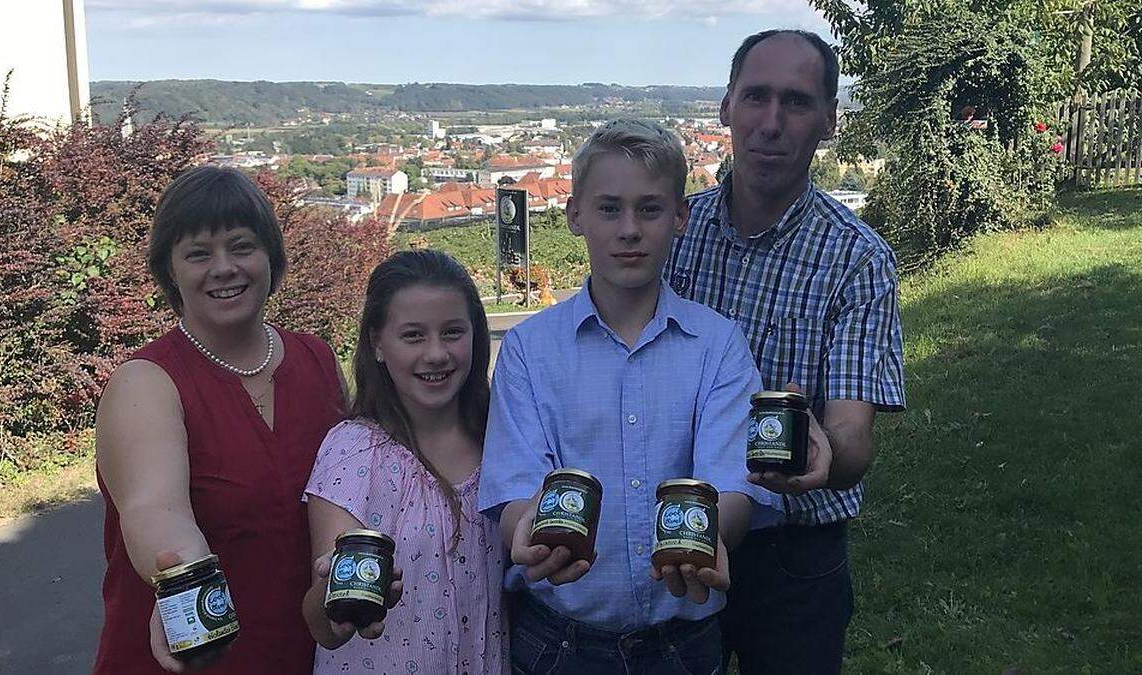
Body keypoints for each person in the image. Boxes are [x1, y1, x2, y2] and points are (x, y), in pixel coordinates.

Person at [479, 118, 780, 675]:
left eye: (649, 209)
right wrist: (526, 531)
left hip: (680, 642)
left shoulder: (717, 346)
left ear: (680, 217)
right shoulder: (528, 350)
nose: (629, 230)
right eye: (609, 208)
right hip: (557, 641)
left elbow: (732, 485)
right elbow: (516, 486)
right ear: (575, 216)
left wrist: (711, 541)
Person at [664, 29, 906, 674]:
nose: (771, 122)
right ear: (726, 108)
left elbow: (853, 433)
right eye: (756, 97)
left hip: (796, 553)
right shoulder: (670, 234)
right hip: (677, 528)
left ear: (829, 120)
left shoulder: (856, 261)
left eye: (796, 103)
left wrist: (829, 455)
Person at [94, 166, 348, 674]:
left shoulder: (318, 362)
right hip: (188, 655)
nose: (224, 267)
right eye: (198, 254)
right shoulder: (146, 381)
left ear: (270, 257)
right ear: (170, 271)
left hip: (297, 653)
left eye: (242, 246)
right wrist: (181, 577)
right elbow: (154, 510)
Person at [301, 249, 509, 674]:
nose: (436, 354)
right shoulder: (353, 451)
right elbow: (323, 626)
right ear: (377, 343)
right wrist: (333, 595)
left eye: (453, 332)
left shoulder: (502, 439)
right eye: (413, 336)